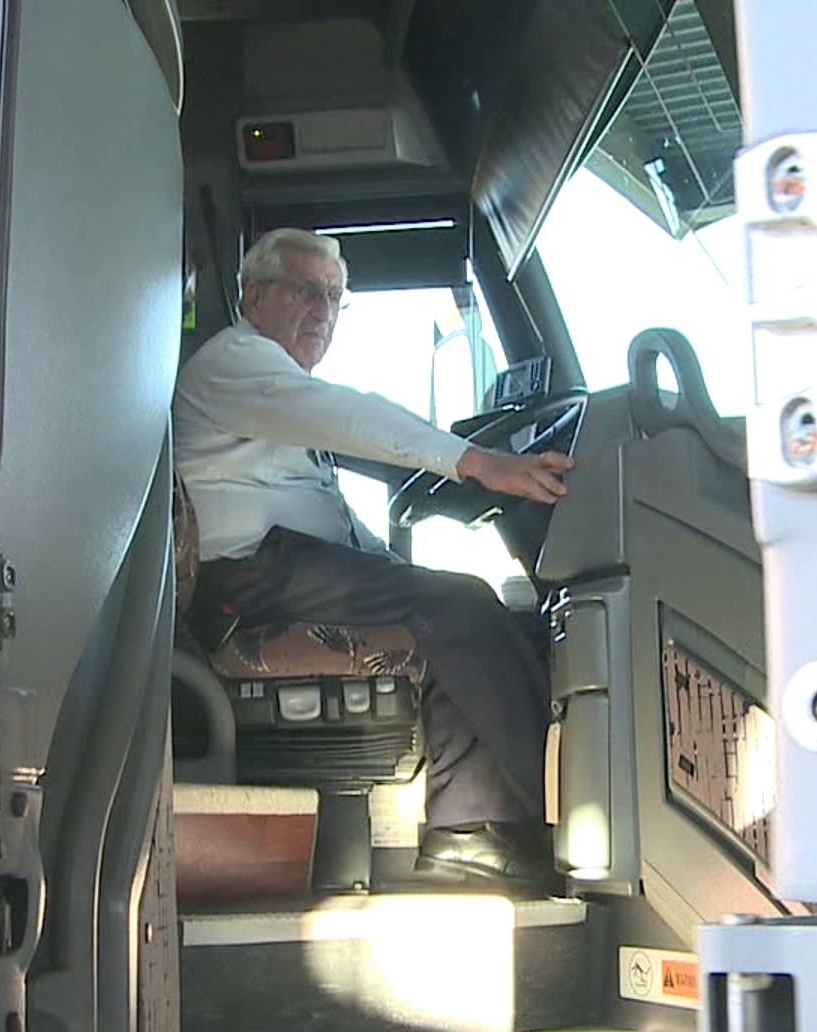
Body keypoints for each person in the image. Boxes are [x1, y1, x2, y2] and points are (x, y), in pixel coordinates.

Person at [172, 227, 575, 891]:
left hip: (281, 569)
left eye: (334, 298)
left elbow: (330, 514)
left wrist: (396, 564)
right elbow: (350, 414)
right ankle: (527, 824)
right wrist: (476, 463)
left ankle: (475, 834)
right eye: (306, 291)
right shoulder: (234, 363)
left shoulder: (272, 393)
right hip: (249, 582)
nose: (323, 312)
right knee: (459, 605)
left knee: (469, 609)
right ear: (253, 293)